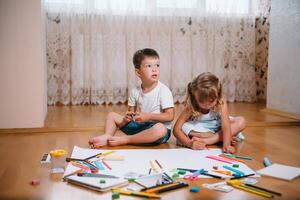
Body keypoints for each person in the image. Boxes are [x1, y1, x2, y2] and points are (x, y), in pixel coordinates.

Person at [89, 48, 174, 148]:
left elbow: (169, 116)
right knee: (111, 116)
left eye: (157, 65)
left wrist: (148, 116)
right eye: (149, 66)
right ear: (138, 72)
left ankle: (126, 140)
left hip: (157, 130)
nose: (155, 69)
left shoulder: (163, 90)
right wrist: (126, 119)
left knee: (160, 129)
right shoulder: (135, 91)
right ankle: (107, 137)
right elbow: (131, 115)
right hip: (142, 127)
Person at [173, 72, 246, 153]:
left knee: (241, 121)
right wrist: (190, 144)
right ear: (195, 97)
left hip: (216, 126)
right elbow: (176, 129)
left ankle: (209, 140)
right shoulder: (192, 105)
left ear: (218, 95)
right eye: (201, 101)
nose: (206, 105)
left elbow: (225, 125)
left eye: (211, 101)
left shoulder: (221, 102)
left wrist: (226, 145)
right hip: (199, 129)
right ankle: (218, 138)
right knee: (184, 128)